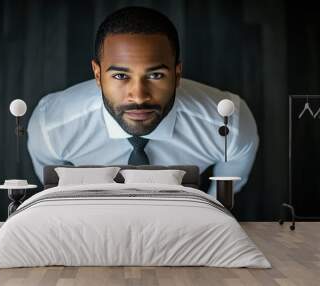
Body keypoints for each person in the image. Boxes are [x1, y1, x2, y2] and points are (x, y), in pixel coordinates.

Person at [27, 6, 259, 196]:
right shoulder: (50, 127)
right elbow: (56, 196)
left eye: (155, 75)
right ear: (97, 75)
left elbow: (225, 191)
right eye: (120, 76)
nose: (138, 96)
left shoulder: (230, 126)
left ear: (177, 75)